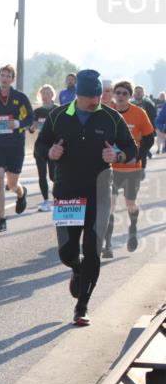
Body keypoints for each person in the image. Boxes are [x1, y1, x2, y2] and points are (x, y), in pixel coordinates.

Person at [35, 69, 136, 326]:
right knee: (67, 252)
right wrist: (51, 152)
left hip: (99, 193)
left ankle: (82, 306)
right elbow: (40, 145)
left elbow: (131, 148)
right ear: (78, 95)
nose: (97, 102)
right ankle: (76, 268)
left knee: (93, 250)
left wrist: (118, 156)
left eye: (99, 96)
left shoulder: (110, 118)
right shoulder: (58, 116)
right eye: (92, 97)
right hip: (67, 192)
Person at [102, 80, 155, 257]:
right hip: (111, 168)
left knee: (130, 204)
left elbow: (149, 137)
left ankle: (132, 228)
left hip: (132, 168)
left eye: (125, 93)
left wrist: (138, 156)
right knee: (110, 205)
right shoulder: (106, 112)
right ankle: (107, 245)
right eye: (118, 93)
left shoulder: (139, 113)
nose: (121, 96)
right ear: (113, 94)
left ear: (130, 95)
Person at [0, 64, 33, 232]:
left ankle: (21, 192)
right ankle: (2, 219)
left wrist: (18, 123)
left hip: (16, 145)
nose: (4, 78)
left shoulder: (20, 98)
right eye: (2, 75)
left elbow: (30, 117)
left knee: (11, 184)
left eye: (8, 76)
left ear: (12, 79)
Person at [31, 84, 58, 212]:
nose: (45, 96)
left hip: (54, 147)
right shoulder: (37, 112)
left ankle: (58, 199)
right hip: (40, 146)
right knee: (42, 175)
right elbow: (31, 129)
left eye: (48, 93)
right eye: (43, 93)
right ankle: (46, 201)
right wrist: (33, 127)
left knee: (54, 176)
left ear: (53, 95)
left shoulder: (58, 110)